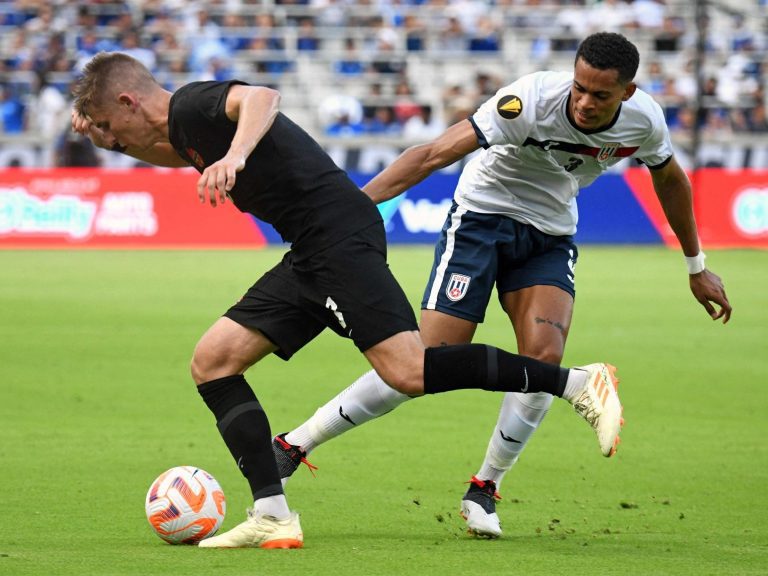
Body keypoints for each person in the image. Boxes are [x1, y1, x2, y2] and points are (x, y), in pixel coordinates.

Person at [70, 52, 624, 550]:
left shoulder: (193, 103)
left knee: (409, 370)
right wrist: (109, 139)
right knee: (213, 362)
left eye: (105, 122)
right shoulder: (185, 132)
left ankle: (577, 383)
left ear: (127, 99)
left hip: (337, 236)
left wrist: (236, 155)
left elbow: (262, 98)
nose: (107, 133)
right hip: (312, 249)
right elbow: (161, 150)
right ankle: (272, 513)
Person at [273, 32, 732, 539]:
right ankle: (296, 444)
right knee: (424, 359)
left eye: (600, 95)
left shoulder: (645, 120)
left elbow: (670, 179)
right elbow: (432, 154)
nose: (583, 102)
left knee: (542, 360)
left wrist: (695, 265)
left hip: (550, 233)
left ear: (626, 93)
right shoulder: (530, 99)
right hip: (482, 218)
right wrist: (348, 211)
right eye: (579, 87)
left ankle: (484, 490)